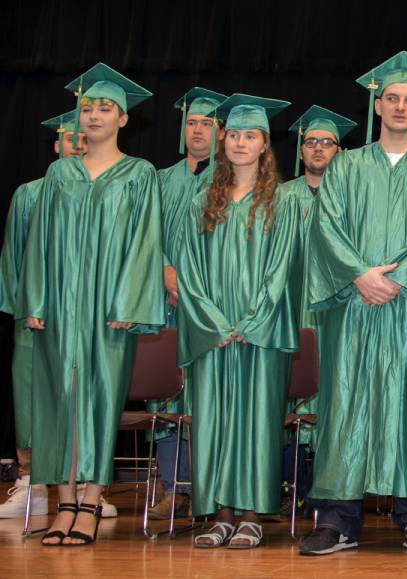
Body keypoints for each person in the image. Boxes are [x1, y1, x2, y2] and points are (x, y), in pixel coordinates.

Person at [299, 51, 407, 557]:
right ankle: (337, 520)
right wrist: (359, 274)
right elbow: (326, 226)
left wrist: (401, 278)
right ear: (377, 106)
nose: (399, 106)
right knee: (346, 405)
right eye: (391, 98)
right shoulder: (346, 165)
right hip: (355, 304)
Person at [16, 63, 163, 546]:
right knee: (58, 401)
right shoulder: (59, 173)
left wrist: (129, 301)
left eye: (105, 108)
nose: (94, 115)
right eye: (88, 108)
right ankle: (64, 503)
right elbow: (39, 242)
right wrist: (34, 299)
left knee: (100, 400)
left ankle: (90, 502)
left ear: (124, 119)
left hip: (109, 309)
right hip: (58, 304)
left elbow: (146, 243)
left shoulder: (139, 174)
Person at [178, 94, 300, 549]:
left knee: (259, 419)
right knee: (212, 419)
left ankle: (251, 514)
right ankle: (220, 514)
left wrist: (250, 321)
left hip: (258, 330)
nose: (240, 143)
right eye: (234, 135)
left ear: (265, 145)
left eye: (250, 136)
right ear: (223, 140)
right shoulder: (200, 200)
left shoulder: (282, 201)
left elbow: (282, 269)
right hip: (213, 331)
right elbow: (188, 268)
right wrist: (212, 321)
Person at [0, 111, 87, 520]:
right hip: (36, 317)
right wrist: (26, 306)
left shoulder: (103, 194)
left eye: (85, 138)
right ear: (56, 144)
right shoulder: (30, 194)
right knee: (33, 397)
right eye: (71, 138)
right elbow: (14, 257)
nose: (78, 144)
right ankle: (31, 482)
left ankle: (87, 487)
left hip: (83, 317)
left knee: (83, 398)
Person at [146, 86, 227, 521]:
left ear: (222, 131)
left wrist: (197, 288)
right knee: (166, 398)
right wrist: (165, 273)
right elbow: (143, 235)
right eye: (191, 122)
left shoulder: (231, 181)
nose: (197, 130)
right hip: (166, 301)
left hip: (211, 303)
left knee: (207, 395)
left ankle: (209, 487)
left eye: (207, 124)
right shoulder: (159, 180)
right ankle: (171, 487)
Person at [277, 104, 356, 514]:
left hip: (336, 309)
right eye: (312, 142)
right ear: (301, 149)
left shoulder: (351, 197)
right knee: (292, 392)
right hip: (290, 307)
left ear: (340, 151)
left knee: (334, 389)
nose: (319, 149)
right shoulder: (280, 196)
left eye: (328, 142)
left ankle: (329, 485)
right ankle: (292, 482)